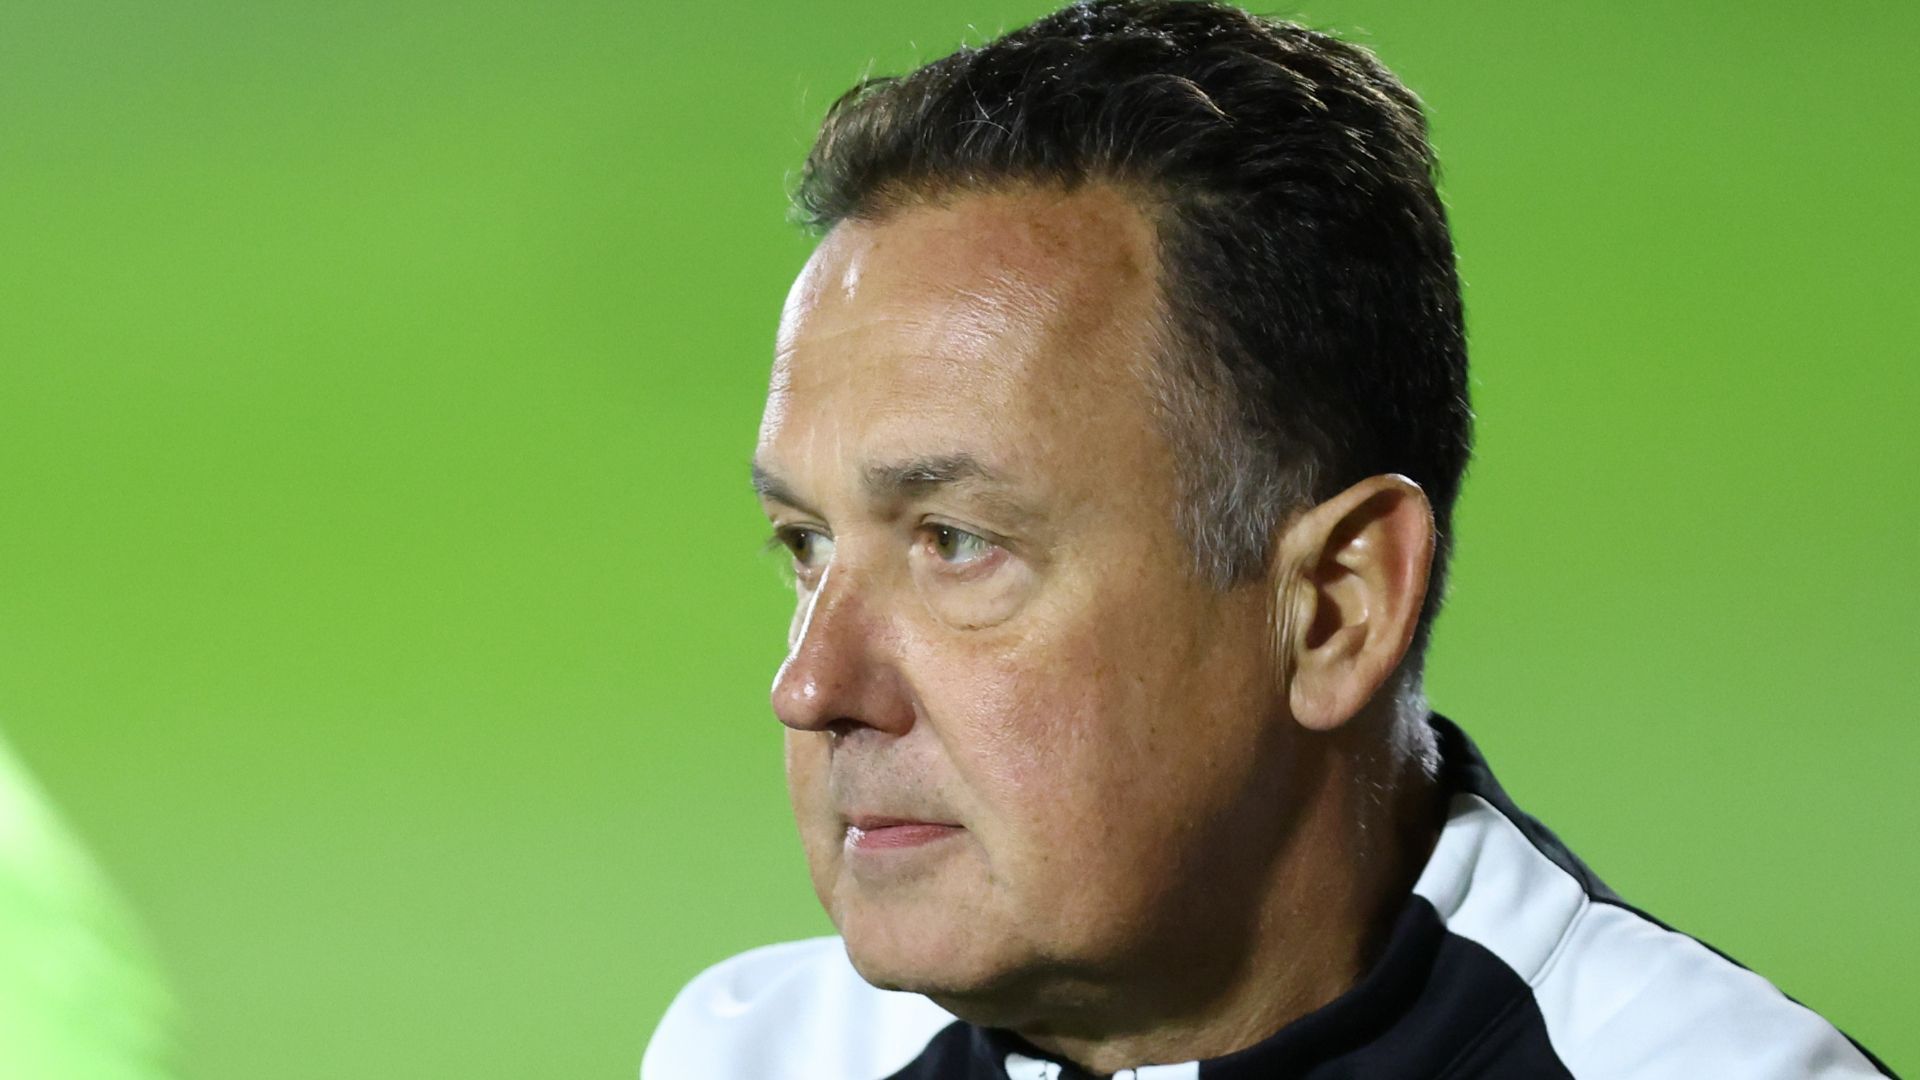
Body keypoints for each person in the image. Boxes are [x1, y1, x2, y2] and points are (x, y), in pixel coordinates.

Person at [643, 1, 1895, 1076]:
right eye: (805, 543)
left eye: (955, 542)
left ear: (1337, 606)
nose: (811, 686)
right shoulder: (754, 1054)